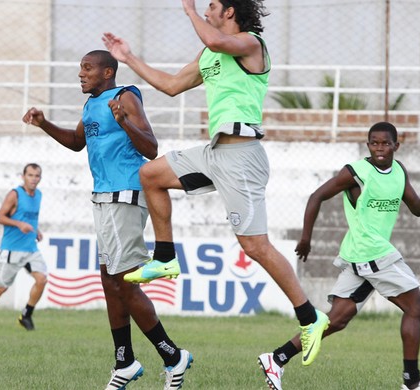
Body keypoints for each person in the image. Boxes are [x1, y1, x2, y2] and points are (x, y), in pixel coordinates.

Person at [103, 0, 329, 370]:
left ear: (229, 11)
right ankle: (164, 258)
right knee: (151, 175)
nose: (205, 10)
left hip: (242, 156)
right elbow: (173, 85)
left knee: (255, 246)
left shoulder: (250, 43)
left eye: (211, 5)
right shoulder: (210, 53)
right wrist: (129, 58)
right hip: (214, 152)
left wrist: (189, 11)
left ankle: (309, 317)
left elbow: (219, 42)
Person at [22, 50, 192, 390]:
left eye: (88, 68)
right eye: (80, 68)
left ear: (108, 72)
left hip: (125, 195)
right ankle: (124, 361)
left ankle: (173, 356)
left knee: (124, 282)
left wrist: (124, 121)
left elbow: (151, 148)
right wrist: (43, 124)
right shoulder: (91, 105)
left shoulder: (124, 96)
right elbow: (75, 142)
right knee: (109, 280)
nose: (81, 74)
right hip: (103, 198)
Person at [258, 122, 420, 390]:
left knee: (337, 319)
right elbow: (317, 196)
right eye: (374, 143)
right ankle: (412, 383)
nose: (379, 148)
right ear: (368, 145)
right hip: (371, 252)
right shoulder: (356, 172)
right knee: (415, 308)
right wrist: (306, 238)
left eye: (385, 143)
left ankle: (276, 358)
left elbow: (417, 208)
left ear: (396, 146)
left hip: (362, 257)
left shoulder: (399, 171)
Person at [0, 163, 47, 331]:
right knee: (2, 287)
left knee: (42, 279)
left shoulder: (39, 195)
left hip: (30, 249)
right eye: (30, 175)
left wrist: (35, 230)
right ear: (23, 176)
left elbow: (29, 218)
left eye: (37, 176)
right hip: (11, 250)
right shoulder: (15, 194)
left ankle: (26, 315)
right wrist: (19, 224)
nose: (33, 179)